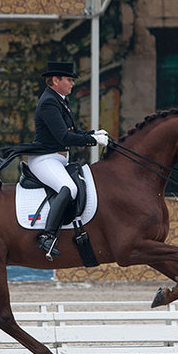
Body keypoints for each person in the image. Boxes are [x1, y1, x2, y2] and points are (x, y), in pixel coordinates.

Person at [30, 61, 110, 258]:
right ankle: (47, 236)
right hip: (44, 159)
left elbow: (73, 132)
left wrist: (93, 133)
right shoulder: (49, 102)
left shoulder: (60, 100)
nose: (72, 83)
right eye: (69, 79)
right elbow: (63, 137)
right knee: (69, 188)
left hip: (58, 159)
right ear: (55, 80)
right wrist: (93, 140)